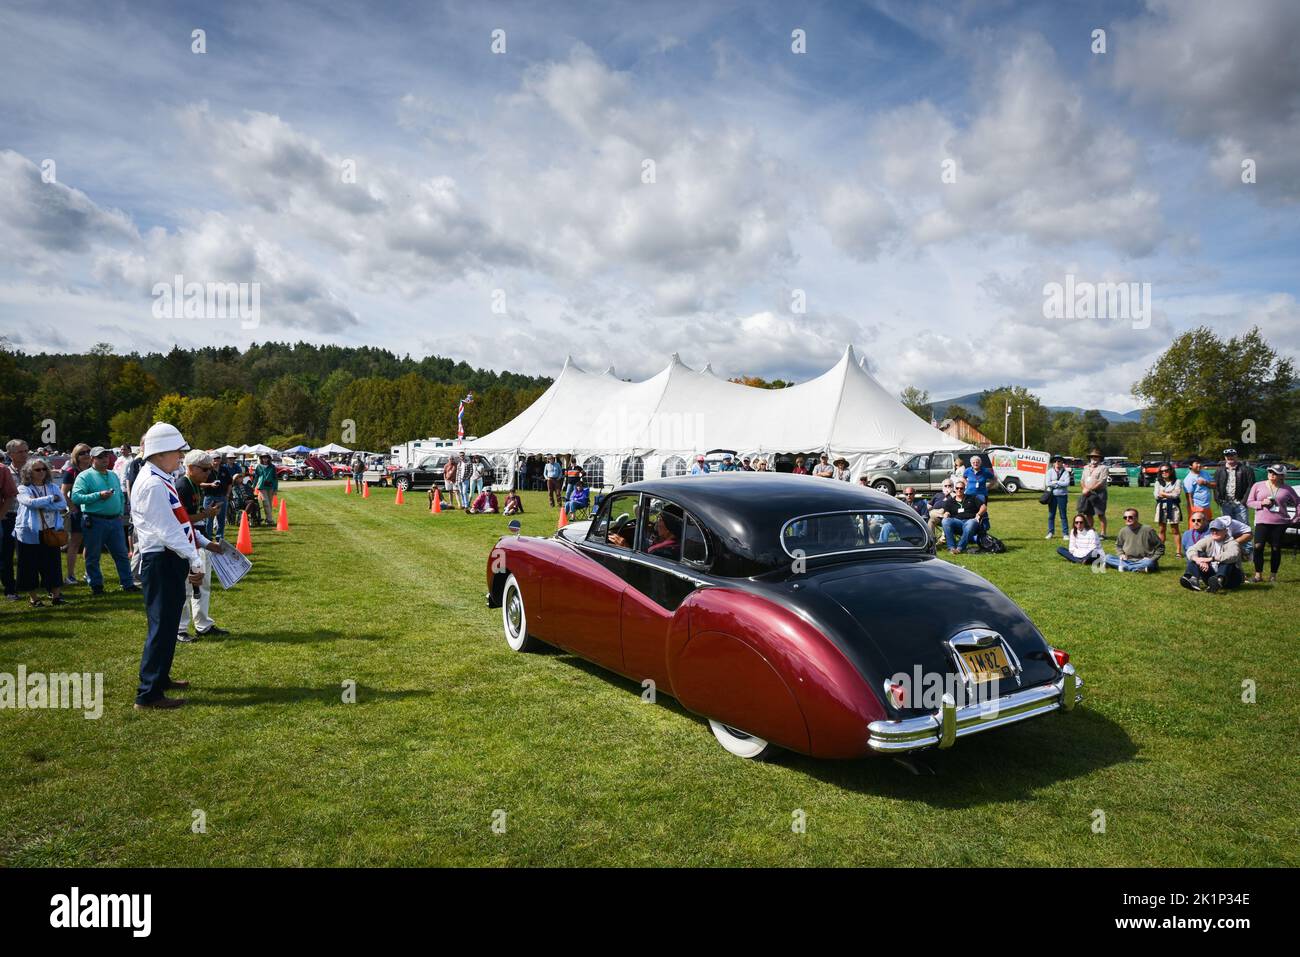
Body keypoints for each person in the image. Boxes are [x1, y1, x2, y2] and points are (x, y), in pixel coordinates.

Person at [175, 450, 228, 641]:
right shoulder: (183, 487)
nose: (208, 474)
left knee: (203, 583)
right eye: (205, 469)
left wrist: (206, 542)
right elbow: (182, 520)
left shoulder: (196, 485)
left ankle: (203, 624)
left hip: (197, 538)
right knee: (186, 586)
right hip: (185, 542)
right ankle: (180, 629)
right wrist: (207, 514)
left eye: (210, 469)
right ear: (190, 468)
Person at [71, 446, 138, 595]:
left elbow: (120, 495)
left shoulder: (113, 475)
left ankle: (127, 583)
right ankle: (96, 585)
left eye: (106, 457)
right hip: (94, 520)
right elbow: (76, 497)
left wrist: (120, 511)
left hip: (114, 520)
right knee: (93, 555)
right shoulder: (84, 476)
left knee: (121, 554)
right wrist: (97, 495)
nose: (105, 460)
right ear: (92, 459)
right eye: (100, 457)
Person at [15, 457, 67, 606]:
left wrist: (43, 504)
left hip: (50, 530)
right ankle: (34, 598)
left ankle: (56, 596)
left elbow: (62, 505)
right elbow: (29, 503)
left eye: (44, 469)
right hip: (29, 532)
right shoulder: (23, 488)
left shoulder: (52, 486)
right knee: (28, 565)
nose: (42, 472)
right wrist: (51, 499)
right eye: (38, 469)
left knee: (53, 564)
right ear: (29, 472)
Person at [1245, 463, 1299, 583]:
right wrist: (1261, 504)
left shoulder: (1287, 489)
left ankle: (1273, 576)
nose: (1272, 474)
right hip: (1262, 521)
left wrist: (1296, 517)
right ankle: (1258, 575)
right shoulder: (1257, 485)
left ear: (1282, 476)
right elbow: (1249, 502)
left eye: (1275, 473)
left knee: (1275, 548)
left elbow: (1298, 502)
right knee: (1258, 547)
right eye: (1270, 472)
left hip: (1280, 523)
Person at [1181, 520, 1243, 593]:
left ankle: (1219, 580)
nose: (1214, 532)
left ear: (1225, 531)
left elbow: (1233, 555)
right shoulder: (1207, 540)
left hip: (1231, 578)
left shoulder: (1232, 543)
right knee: (1196, 556)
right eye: (1212, 530)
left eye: (1217, 530)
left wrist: (1210, 559)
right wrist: (1198, 560)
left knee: (1227, 560)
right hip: (1211, 577)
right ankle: (1191, 579)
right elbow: (1192, 549)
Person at [61, 442, 92, 585]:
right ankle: (71, 575)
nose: (86, 454)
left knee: (91, 543)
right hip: (78, 512)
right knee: (74, 543)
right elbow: (63, 492)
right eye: (82, 453)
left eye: (88, 451)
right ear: (76, 455)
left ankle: (89, 573)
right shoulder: (71, 471)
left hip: (92, 511)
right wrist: (72, 507)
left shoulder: (93, 470)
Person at [1, 438, 25, 601]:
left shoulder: (36, 469)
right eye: (20, 451)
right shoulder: (5, 471)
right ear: (10, 454)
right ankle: (10, 587)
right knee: (7, 554)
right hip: (9, 516)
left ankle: (27, 584)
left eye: (26, 451)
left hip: (29, 517)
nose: (25, 454)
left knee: (28, 553)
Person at [1103, 508, 1163, 572]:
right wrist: (1121, 554)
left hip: (1144, 561)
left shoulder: (1148, 530)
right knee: (1107, 557)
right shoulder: (1123, 531)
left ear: (1137, 518)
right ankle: (1137, 568)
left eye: (1130, 517)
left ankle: (1124, 567)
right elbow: (1118, 545)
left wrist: (1152, 559)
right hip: (1127, 559)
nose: (1127, 519)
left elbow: (1160, 547)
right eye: (1125, 517)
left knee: (1149, 563)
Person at [941, 479, 986, 554]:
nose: (959, 490)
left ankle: (960, 548)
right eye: (957, 488)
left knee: (971, 522)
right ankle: (951, 548)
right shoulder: (950, 501)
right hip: (957, 522)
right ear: (954, 489)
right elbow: (947, 512)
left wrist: (978, 514)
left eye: (961, 488)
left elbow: (983, 507)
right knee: (945, 521)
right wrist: (946, 514)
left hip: (970, 521)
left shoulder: (972, 498)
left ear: (964, 489)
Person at [1213, 449, 1254, 525]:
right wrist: (1218, 500)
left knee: (1243, 527)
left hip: (1240, 503)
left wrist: (1244, 501)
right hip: (1225, 503)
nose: (1230, 457)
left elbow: (1250, 486)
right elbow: (1216, 486)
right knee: (1227, 527)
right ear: (1225, 457)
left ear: (1236, 456)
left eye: (1232, 455)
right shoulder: (1219, 470)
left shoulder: (1246, 470)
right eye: (1227, 456)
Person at [1152, 463, 1184, 558]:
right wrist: (1170, 493)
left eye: (1166, 470)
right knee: (1162, 529)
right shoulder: (1158, 482)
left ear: (1171, 471)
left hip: (1173, 507)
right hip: (1161, 507)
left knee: (1175, 530)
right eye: (1162, 471)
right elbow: (1156, 495)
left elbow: (1176, 495)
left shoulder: (1177, 481)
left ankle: (1178, 551)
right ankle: (1161, 550)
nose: (1164, 472)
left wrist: (1164, 494)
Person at [202, 453, 234, 540]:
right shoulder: (206, 469)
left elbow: (230, 483)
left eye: (218, 458)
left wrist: (227, 494)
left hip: (222, 496)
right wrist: (210, 484)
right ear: (211, 460)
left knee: (221, 518)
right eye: (214, 458)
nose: (216, 460)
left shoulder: (224, 469)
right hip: (209, 497)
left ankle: (219, 536)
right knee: (208, 518)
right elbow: (200, 483)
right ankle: (208, 536)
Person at [1078, 449, 1109, 538]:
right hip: (1087, 493)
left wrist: (1090, 489)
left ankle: (1103, 533)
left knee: (1100, 513)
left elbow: (1101, 482)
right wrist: (1084, 489)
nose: (1094, 458)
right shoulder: (1086, 467)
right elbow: (1082, 480)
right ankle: (1091, 531)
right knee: (1088, 513)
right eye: (1092, 456)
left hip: (1099, 493)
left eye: (1096, 457)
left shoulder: (1103, 468)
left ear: (1099, 458)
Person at [1044, 456, 1071, 540]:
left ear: (1062, 462)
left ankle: (1065, 533)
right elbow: (1047, 483)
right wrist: (1060, 483)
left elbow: (1067, 483)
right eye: (1055, 461)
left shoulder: (1065, 472)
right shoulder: (1049, 472)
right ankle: (1050, 532)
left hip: (1062, 496)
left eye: (1059, 461)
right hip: (1052, 496)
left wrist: (1055, 482)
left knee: (1063, 515)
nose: (1057, 463)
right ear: (1053, 463)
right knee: (1051, 515)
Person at [1182, 456, 1214, 523]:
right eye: (1196, 463)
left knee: (1208, 527)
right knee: (1196, 528)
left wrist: (1205, 483)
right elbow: (1189, 496)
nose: (1199, 465)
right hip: (1197, 507)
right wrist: (1192, 509)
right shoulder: (1188, 479)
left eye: (1200, 463)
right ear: (1190, 466)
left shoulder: (1205, 473)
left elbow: (1214, 485)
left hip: (1207, 506)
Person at [253, 453, 278, 521]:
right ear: (261, 458)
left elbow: (275, 478)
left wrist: (276, 489)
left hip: (271, 487)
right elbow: (256, 477)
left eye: (266, 458)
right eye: (263, 458)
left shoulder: (272, 467)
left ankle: (268, 518)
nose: (265, 459)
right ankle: (270, 519)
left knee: (269, 503)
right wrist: (253, 486)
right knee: (265, 502)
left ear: (269, 458)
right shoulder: (258, 466)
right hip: (262, 486)